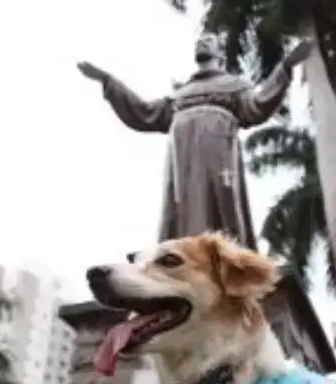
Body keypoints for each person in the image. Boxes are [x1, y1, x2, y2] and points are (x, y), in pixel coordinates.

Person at [76, 34, 313, 250]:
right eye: (198, 41)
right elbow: (145, 112)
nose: (201, 43)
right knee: (181, 206)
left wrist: (285, 67)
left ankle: (226, 255)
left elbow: (258, 104)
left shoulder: (234, 85)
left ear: (221, 53)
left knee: (220, 202)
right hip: (182, 159)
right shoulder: (180, 93)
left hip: (218, 151)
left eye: (208, 40)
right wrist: (108, 81)